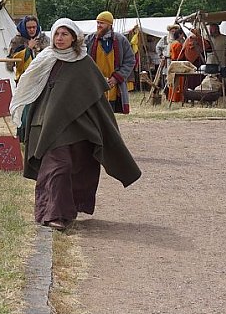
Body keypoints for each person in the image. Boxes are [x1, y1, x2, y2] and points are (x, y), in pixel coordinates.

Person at [10, 18, 142, 231]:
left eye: (65, 34)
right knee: (58, 166)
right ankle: (53, 213)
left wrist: (105, 127)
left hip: (78, 125)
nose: (60, 38)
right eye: (57, 34)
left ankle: (66, 211)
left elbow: (95, 97)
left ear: (74, 38)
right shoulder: (45, 59)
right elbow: (29, 88)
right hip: (48, 123)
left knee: (80, 166)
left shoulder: (83, 61)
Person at [85, 11, 136, 114]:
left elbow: (130, 60)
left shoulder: (121, 40)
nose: (99, 26)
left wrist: (116, 78)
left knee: (111, 116)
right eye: (98, 23)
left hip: (113, 85)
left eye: (102, 23)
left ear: (109, 25)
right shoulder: (89, 40)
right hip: (95, 84)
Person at [7, 15, 50, 82]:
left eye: (34, 27)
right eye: (29, 28)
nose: (32, 30)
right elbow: (9, 64)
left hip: (42, 77)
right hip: (24, 79)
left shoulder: (44, 40)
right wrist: (28, 49)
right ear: (24, 28)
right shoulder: (17, 41)